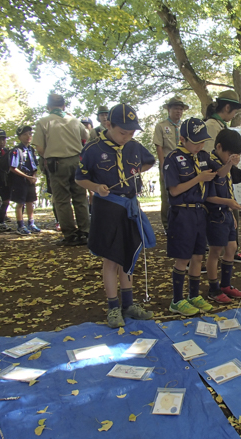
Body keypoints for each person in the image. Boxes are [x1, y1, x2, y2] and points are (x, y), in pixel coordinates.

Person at [76, 103, 156, 329]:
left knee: (129, 257)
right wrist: (95, 187)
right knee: (111, 259)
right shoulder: (92, 149)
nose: (127, 137)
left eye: (131, 133)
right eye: (123, 132)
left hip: (129, 208)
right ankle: (113, 307)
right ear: (108, 124)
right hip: (107, 209)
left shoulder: (134, 147)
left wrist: (137, 172)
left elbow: (149, 161)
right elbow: (79, 179)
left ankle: (128, 304)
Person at [164, 118, 236, 316]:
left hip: (199, 212)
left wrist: (229, 163)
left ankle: (194, 295)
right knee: (183, 258)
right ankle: (177, 300)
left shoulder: (204, 156)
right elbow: (174, 190)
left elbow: (220, 174)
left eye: (202, 141)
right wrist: (198, 178)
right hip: (182, 212)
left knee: (198, 256)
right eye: (195, 142)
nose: (200, 146)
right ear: (182, 139)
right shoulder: (173, 158)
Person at [33, 93, 90, 246]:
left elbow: (39, 147)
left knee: (62, 200)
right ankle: (85, 231)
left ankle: (70, 234)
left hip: (57, 163)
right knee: (80, 197)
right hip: (77, 161)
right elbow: (86, 136)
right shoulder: (74, 121)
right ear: (64, 106)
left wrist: (48, 157)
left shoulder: (43, 122)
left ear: (48, 107)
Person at [203, 90, 241, 264]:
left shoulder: (220, 125)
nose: (235, 114)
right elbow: (210, 158)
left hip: (225, 180)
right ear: (227, 107)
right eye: (235, 110)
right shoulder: (211, 126)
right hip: (215, 185)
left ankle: (230, 251)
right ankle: (217, 255)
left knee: (231, 218)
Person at [205, 129, 241, 304]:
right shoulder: (210, 163)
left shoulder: (225, 165)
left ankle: (225, 285)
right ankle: (213, 289)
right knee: (215, 251)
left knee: (232, 248)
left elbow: (228, 187)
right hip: (214, 214)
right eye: (230, 155)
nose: (232, 159)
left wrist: (231, 211)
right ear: (219, 147)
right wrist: (228, 203)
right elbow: (207, 197)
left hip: (226, 214)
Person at [153, 96, 188, 233]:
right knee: (167, 196)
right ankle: (168, 225)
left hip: (183, 164)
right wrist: (163, 167)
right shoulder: (161, 126)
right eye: (175, 109)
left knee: (183, 193)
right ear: (169, 109)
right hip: (168, 164)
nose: (178, 112)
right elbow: (159, 147)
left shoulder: (184, 127)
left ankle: (181, 222)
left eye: (180, 109)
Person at [9, 125, 40, 235]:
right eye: (25, 134)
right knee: (20, 203)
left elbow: (35, 165)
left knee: (30, 202)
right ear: (19, 137)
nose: (28, 136)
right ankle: (20, 225)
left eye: (30, 134)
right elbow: (13, 168)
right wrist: (27, 177)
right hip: (20, 180)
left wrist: (34, 176)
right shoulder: (16, 150)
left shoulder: (31, 149)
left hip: (30, 179)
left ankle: (31, 223)